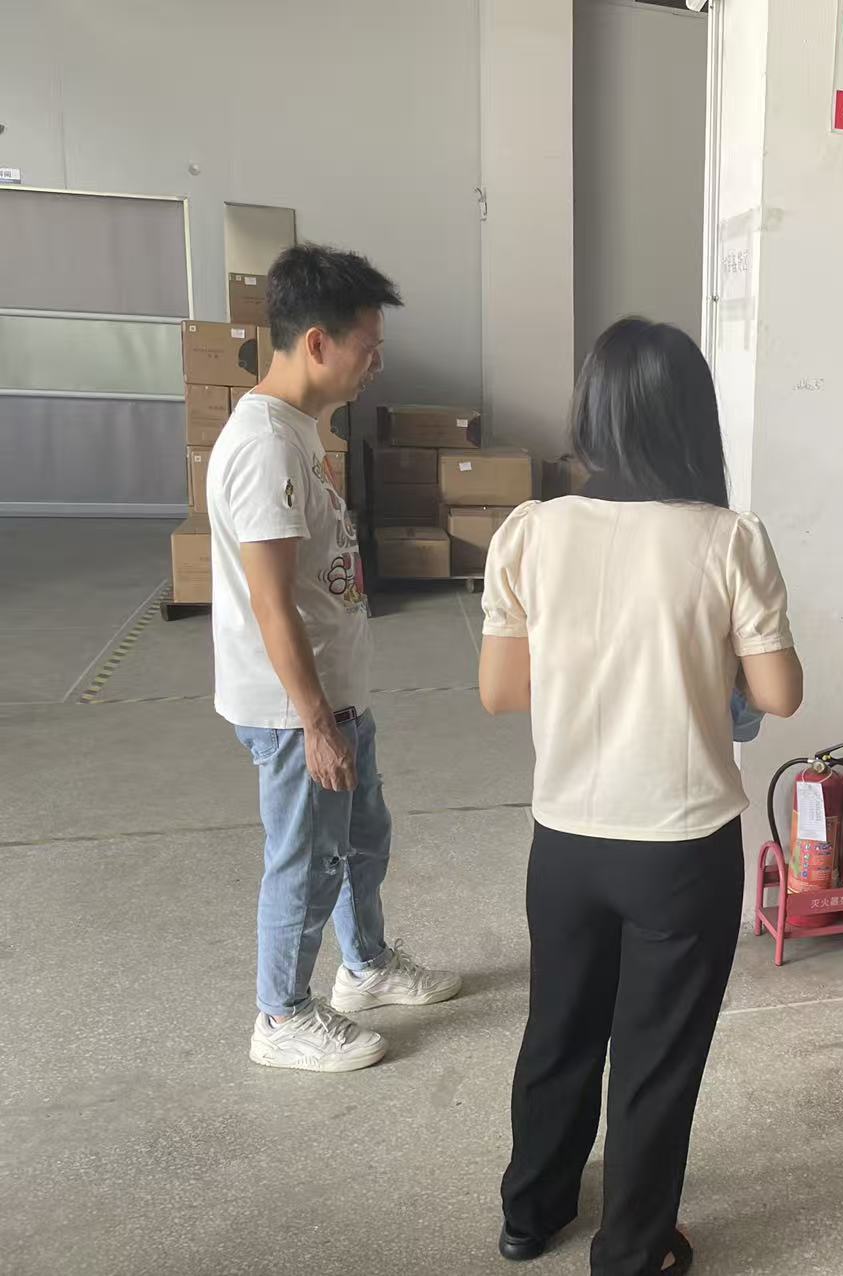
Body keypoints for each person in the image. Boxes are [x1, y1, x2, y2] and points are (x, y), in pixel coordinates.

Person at [479, 317, 803, 1272]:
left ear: (592, 413)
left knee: (559, 1026)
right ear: (693, 420)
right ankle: (633, 1251)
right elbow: (780, 694)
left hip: (565, 839)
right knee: (656, 1056)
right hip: (680, 844)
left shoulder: (531, 531)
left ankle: (531, 1212)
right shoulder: (728, 540)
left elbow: (501, 691)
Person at [209, 244, 461, 1073]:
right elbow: (269, 602)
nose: (375, 362)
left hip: (335, 695)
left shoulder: (298, 432)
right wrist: (316, 723)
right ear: (317, 342)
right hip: (297, 712)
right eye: (368, 346)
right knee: (308, 862)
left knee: (359, 842)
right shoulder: (265, 446)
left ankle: (366, 966)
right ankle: (280, 1016)